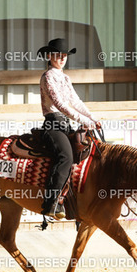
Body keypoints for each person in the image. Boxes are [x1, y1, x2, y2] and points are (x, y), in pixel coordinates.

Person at [37, 38, 101, 219]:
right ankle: (51, 202)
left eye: (64, 55)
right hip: (53, 124)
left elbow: (75, 101)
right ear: (49, 56)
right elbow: (60, 104)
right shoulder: (48, 77)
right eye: (58, 55)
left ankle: (75, 200)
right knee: (65, 157)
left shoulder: (65, 78)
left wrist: (92, 118)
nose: (62, 58)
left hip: (66, 125)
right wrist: (84, 120)